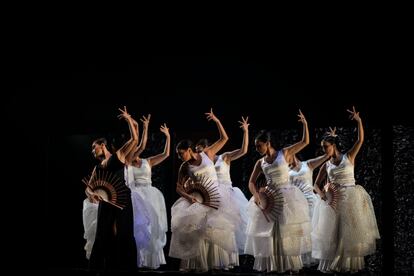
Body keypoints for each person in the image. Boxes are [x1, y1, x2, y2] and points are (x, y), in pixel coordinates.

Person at [169, 108, 239, 272]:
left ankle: (216, 263)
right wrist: (188, 197)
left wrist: (216, 121)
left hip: (215, 195)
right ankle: (200, 264)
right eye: (179, 155)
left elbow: (225, 138)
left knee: (215, 230)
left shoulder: (207, 153)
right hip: (197, 199)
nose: (180, 157)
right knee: (199, 232)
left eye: (181, 154)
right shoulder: (184, 166)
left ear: (189, 150)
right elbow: (178, 187)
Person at [311, 107, 380, 273]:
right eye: (322, 148)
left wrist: (359, 121)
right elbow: (315, 184)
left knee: (349, 232)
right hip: (333, 200)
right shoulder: (326, 165)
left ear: (333, 146)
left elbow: (360, 140)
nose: (324, 150)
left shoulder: (348, 157)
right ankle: (335, 264)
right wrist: (322, 195)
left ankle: (346, 265)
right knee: (333, 233)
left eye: (326, 147)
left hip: (350, 197)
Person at [245, 110, 312, 273]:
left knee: (285, 231)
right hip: (269, 198)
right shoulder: (260, 162)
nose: (257, 149)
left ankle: (288, 265)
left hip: (287, 196)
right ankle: (274, 266)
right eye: (255, 146)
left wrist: (305, 124)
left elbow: (305, 141)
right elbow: (251, 182)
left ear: (267, 143)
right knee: (271, 233)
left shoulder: (285, 153)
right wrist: (256, 196)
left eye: (259, 145)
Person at [85, 106, 138, 272]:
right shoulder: (97, 168)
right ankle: (99, 267)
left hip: (122, 198)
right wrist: (93, 195)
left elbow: (135, 139)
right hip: (105, 201)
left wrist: (129, 119)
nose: (92, 150)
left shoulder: (119, 155)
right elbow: (88, 189)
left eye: (94, 147)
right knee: (103, 233)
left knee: (124, 232)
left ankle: (126, 268)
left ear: (102, 145)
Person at [195, 116, 250, 254]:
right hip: (211, 194)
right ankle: (212, 255)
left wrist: (245, 131)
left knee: (228, 225)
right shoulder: (202, 164)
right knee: (211, 226)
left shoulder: (224, 157)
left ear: (208, 148)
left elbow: (243, 150)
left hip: (227, 193)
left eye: (201, 150)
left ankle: (227, 256)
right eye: (197, 151)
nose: (199, 153)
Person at [124, 114, 170, 269]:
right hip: (135, 196)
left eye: (136, 150)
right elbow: (142, 144)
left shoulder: (147, 161)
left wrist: (168, 136)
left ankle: (151, 260)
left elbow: (166, 154)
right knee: (139, 228)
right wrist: (142, 126)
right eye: (134, 150)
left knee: (152, 226)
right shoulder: (128, 161)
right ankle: (139, 259)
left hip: (150, 196)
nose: (136, 151)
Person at [288, 152, 330, 267]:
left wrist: (332, 139)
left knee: (313, 229)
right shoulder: (286, 170)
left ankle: (316, 258)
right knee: (301, 232)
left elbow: (326, 156)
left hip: (310, 200)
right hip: (297, 203)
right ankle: (300, 261)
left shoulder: (308, 164)